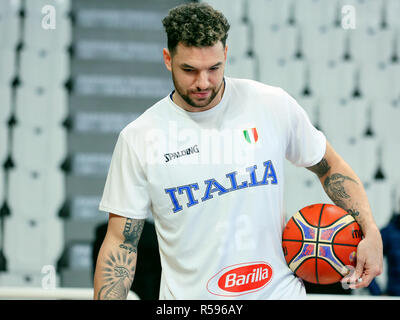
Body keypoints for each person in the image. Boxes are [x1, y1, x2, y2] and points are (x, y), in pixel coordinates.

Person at [93, 2, 383, 299]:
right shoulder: (139, 137)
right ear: (168, 59)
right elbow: (120, 242)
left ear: (226, 55)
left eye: (214, 68)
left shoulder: (271, 104)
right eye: (189, 70)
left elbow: (329, 166)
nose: (203, 82)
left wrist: (370, 230)